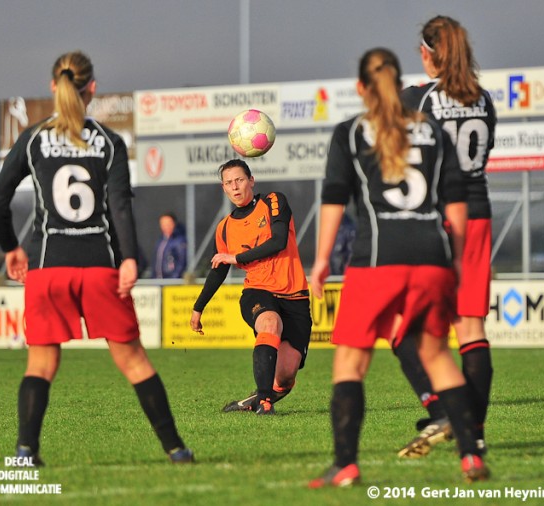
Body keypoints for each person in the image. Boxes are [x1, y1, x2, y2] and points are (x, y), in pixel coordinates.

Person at [0, 51, 193, 465]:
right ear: (93, 88)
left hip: (48, 268)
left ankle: (26, 451)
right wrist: (130, 257)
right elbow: (120, 206)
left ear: (53, 86)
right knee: (134, 361)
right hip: (100, 267)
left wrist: (11, 247)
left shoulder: (32, 138)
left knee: (41, 363)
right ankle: (176, 450)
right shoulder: (110, 142)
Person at [308, 47, 488, 487]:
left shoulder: (351, 133)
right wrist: (459, 260)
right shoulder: (430, 131)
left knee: (350, 360)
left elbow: (333, 199)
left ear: (360, 88)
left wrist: (319, 261)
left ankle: (346, 463)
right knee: (438, 355)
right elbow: (456, 201)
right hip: (433, 259)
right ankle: (470, 455)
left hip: (378, 260)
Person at [395, 15, 497, 459]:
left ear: (427, 53)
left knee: (404, 330)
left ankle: (441, 411)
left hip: (438, 222)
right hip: (479, 218)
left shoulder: (419, 98)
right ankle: (472, 435)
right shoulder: (484, 98)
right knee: (471, 329)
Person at [189, 159, 312, 415]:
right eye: (228, 183)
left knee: (286, 378)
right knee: (269, 323)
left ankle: (253, 400)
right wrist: (198, 308)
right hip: (258, 291)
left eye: (239, 180)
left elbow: (278, 241)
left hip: (295, 296)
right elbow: (217, 271)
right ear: (223, 188)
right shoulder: (224, 228)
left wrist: (236, 258)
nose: (235, 187)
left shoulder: (274, 201)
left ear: (251, 181)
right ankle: (265, 403)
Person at [150, 212, 188, 279]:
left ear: (174, 224)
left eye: (168, 224)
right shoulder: (161, 241)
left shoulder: (179, 241)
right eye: (163, 224)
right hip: (159, 280)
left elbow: (182, 262)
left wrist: (175, 277)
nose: (166, 227)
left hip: (171, 281)